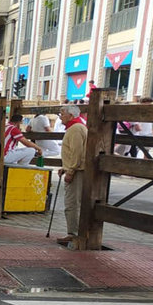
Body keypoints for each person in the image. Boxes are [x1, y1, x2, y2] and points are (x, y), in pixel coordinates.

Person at [56, 104, 88, 245]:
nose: (60, 116)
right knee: (73, 202)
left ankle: (73, 233)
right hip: (74, 168)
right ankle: (73, 232)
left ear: (71, 115)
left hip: (77, 171)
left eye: (62, 113)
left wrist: (71, 170)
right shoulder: (76, 127)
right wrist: (65, 167)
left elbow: (77, 152)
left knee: (72, 203)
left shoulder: (75, 129)